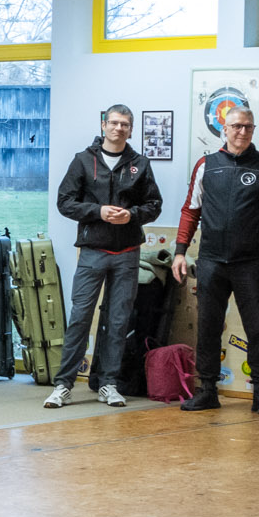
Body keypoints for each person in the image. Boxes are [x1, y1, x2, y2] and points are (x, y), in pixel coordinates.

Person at [172, 106, 259, 415]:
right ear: (224, 129)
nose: (243, 132)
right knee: (208, 327)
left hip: (250, 262)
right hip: (211, 260)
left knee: (258, 329)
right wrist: (180, 251)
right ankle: (207, 390)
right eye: (237, 126)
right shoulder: (206, 165)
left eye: (248, 127)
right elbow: (191, 210)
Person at [50, 105, 163, 410]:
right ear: (104, 125)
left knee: (118, 320)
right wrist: (97, 211)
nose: (118, 128)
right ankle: (63, 385)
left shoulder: (140, 164)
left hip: (127, 254)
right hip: (92, 251)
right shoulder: (83, 160)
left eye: (124, 124)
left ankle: (109, 384)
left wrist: (132, 215)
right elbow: (64, 202)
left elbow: (154, 205)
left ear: (131, 129)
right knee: (80, 318)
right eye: (113, 122)